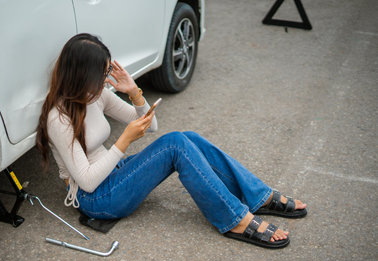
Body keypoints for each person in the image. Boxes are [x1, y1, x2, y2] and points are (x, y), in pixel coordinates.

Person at [36, 33, 307, 249]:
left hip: (114, 175)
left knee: (186, 138)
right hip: (96, 199)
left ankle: (257, 196)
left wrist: (134, 92)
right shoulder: (58, 118)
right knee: (176, 143)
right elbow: (87, 181)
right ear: (82, 76)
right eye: (102, 74)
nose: (106, 80)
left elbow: (151, 125)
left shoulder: (95, 96)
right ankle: (236, 219)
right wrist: (124, 141)